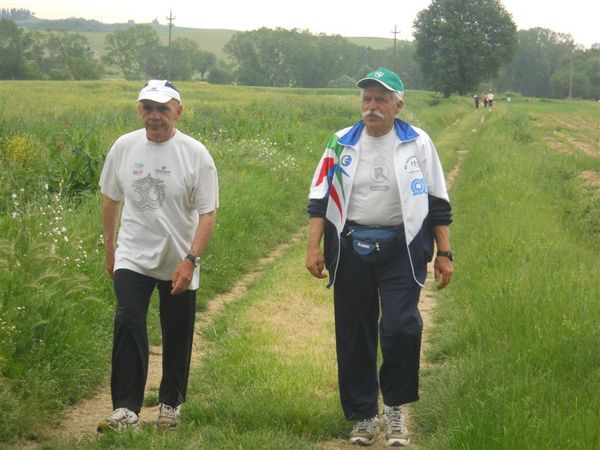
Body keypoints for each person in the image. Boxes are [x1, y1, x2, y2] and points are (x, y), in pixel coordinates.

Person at [305, 67, 453, 446]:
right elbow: (319, 199)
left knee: (401, 327)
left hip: (402, 249)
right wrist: (313, 247)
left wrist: (444, 252)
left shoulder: (417, 142)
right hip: (350, 247)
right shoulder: (341, 142)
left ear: (398, 105)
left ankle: (395, 408)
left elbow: (437, 202)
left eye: (381, 100)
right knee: (355, 333)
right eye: (367, 99)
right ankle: (364, 416)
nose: (372, 107)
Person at [97, 80, 219, 431]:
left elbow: (207, 213)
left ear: (178, 111)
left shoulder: (196, 154)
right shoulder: (124, 146)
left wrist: (191, 259)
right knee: (128, 321)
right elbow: (111, 199)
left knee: (177, 330)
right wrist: (111, 249)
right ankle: (126, 409)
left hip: (179, 257)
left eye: (162, 109)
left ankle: (170, 404)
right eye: (148, 108)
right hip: (133, 254)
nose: (154, 116)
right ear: (140, 111)